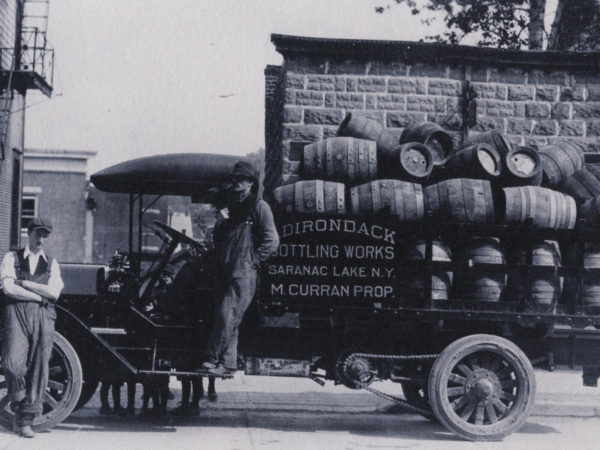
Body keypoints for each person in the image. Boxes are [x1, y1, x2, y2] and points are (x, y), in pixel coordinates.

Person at [199, 160, 279, 376]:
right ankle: (228, 364)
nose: (235, 182)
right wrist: (220, 222)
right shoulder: (229, 207)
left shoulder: (258, 207)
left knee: (228, 314)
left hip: (243, 273)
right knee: (226, 318)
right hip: (224, 269)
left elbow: (272, 240)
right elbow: (219, 238)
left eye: (240, 179)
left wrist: (253, 261)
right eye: (234, 179)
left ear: (251, 183)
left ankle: (211, 359)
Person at [0, 217, 64, 438]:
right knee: (12, 364)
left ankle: (24, 422)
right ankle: (19, 406)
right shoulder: (12, 257)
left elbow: (55, 293)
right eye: (38, 234)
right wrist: (38, 295)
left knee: (38, 367)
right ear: (29, 233)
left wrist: (25, 283)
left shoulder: (52, 262)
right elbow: (8, 288)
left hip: (43, 316)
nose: (41, 240)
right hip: (15, 313)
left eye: (45, 235)